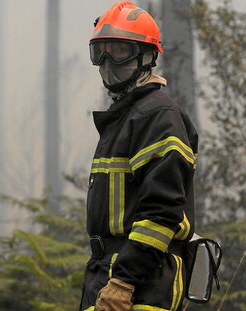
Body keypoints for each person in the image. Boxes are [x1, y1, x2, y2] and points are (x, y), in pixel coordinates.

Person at [79, 1, 198, 311]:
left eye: (119, 50)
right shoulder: (126, 117)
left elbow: (161, 213)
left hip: (143, 286)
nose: (107, 61)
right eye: (100, 51)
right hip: (106, 274)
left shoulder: (158, 116)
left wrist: (123, 282)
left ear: (147, 56)